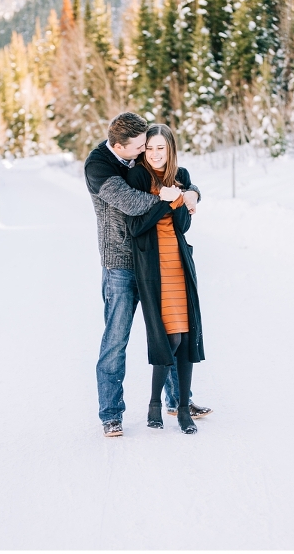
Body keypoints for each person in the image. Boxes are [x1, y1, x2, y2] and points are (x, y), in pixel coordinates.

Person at [84, 112, 210, 437]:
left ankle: (179, 400)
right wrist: (175, 197)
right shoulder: (99, 165)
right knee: (116, 339)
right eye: (140, 147)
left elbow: (170, 173)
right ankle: (111, 414)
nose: (145, 152)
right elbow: (133, 202)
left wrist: (191, 190)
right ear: (119, 146)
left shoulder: (135, 156)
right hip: (121, 263)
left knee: (172, 330)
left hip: (154, 261)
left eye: (146, 145)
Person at [124, 124, 205, 433]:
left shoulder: (180, 175)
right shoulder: (139, 177)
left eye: (162, 148)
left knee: (185, 339)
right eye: (151, 148)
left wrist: (185, 197)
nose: (156, 154)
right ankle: (155, 402)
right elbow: (137, 227)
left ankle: (183, 408)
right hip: (153, 268)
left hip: (179, 264)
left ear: (170, 150)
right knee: (168, 337)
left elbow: (182, 226)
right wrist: (166, 201)